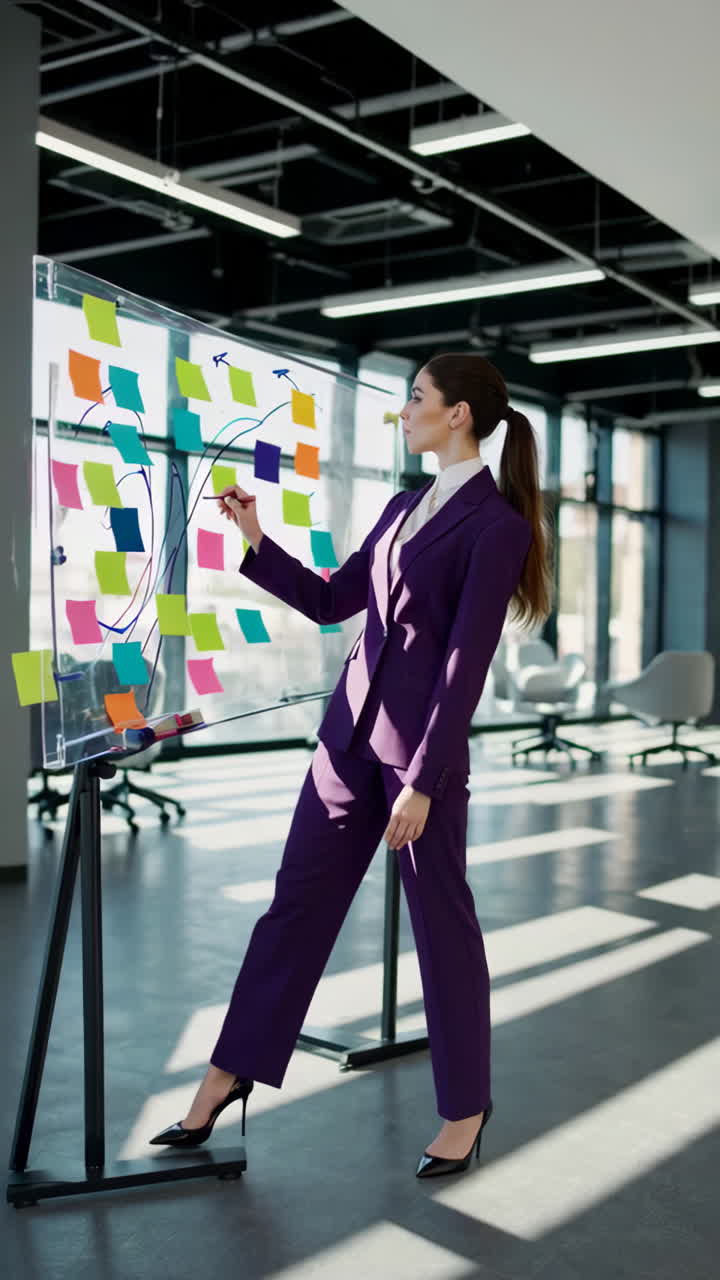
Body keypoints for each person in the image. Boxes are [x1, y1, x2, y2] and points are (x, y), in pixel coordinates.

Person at [149, 352, 553, 1177]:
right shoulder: (403, 506)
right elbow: (336, 599)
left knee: (443, 929)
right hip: (344, 743)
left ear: (460, 415)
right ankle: (229, 1073)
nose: (404, 411)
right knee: (293, 908)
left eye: (417, 398)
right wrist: (254, 537)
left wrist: (423, 780)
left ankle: (467, 1106)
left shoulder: (498, 526)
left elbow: (462, 667)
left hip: (417, 765)